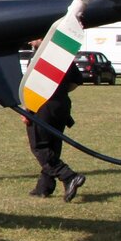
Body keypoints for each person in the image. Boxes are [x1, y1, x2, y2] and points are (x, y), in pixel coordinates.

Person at [28, 66, 86, 201]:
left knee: (40, 147)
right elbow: (76, 80)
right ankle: (44, 187)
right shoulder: (63, 56)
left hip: (42, 105)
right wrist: (59, 93)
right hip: (61, 104)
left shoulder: (40, 58)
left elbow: (33, 85)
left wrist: (28, 108)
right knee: (53, 145)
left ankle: (69, 176)